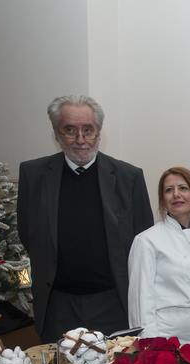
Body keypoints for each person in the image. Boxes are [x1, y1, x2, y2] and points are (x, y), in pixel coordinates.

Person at [17, 95, 153, 343]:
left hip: (114, 304)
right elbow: (28, 233)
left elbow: (144, 240)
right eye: (70, 130)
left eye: (88, 130)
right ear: (57, 133)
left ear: (99, 132)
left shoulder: (128, 177)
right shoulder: (33, 175)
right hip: (58, 305)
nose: (80, 139)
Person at [127, 167, 190, 347]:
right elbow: (140, 303)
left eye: (183, 188)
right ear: (162, 199)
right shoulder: (147, 241)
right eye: (168, 190)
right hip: (167, 339)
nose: (176, 195)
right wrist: (151, 347)